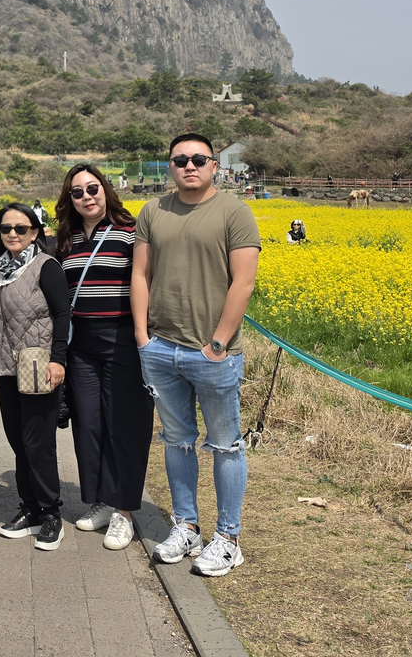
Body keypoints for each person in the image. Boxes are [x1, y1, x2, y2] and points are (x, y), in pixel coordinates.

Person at [136, 133, 261, 577]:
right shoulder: (153, 211)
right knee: (176, 442)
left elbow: (243, 282)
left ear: (213, 166)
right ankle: (186, 526)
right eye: (180, 160)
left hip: (213, 354)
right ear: (169, 166)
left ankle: (227, 538)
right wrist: (142, 338)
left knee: (225, 445)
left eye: (198, 159)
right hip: (161, 348)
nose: (189, 165)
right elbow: (141, 274)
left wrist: (218, 345)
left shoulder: (235, 211)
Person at [55, 163, 152, 551]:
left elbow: (148, 282)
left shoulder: (131, 233)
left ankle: (124, 511)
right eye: (76, 192)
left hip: (123, 340)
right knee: (88, 425)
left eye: (92, 188)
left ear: (105, 190)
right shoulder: (67, 239)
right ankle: (100, 499)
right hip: (81, 346)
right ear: (69, 200)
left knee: (124, 426)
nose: (86, 197)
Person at [0, 203, 70, 551]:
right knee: (18, 441)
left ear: (35, 232)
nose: (13, 234)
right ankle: (30, 508)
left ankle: (51, 513)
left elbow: (62, 313)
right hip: (4, 369)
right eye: (6, 229)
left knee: (38, 442)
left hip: (38, 366)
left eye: (21, 229)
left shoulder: (45, 266)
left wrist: (58, 360)